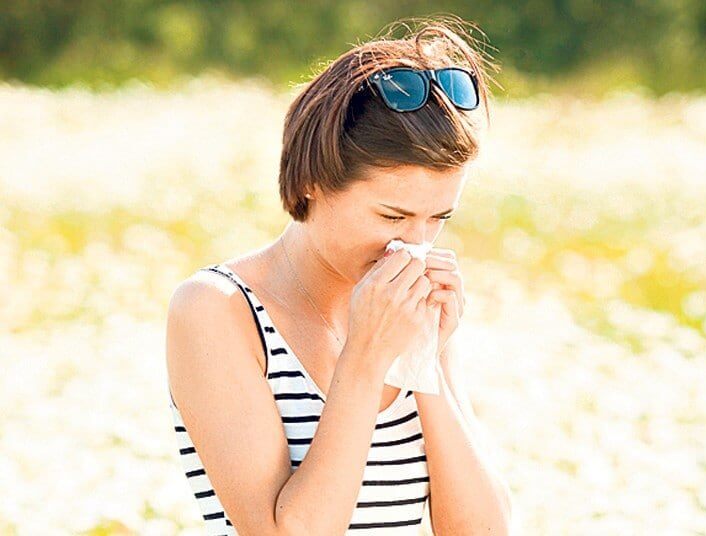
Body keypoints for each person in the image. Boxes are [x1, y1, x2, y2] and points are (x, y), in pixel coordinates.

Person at [165, 15, 512, 535]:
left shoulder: (408, 314)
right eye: (391, 216)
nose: (413, 245)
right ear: (311, 183)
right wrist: (366, 358)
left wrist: (427, 358)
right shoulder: (216, 309)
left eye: (439, 218)